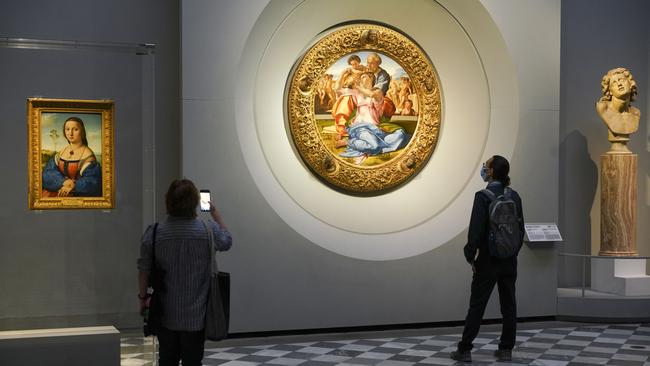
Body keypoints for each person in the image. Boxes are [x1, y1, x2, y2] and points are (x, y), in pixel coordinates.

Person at [137, 179, 232, 366]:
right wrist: (214, 212)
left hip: (165, 314)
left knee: (166, 360)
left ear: (168, 201)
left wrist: (142, 299)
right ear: (195, 201)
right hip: (196, 317)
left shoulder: (155, 232)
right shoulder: (208, 230)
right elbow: (227, 241)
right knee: (193, 361)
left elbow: (144, 270)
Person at [450, 155, 524, 363]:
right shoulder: (514, 195)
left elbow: (475, 231)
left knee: (477, 305)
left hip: (488, 260)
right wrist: (512, 252)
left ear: (491, 171)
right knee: (509, 304)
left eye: (486, 165)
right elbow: (520, 228)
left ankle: (464, 349)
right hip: (509, 260)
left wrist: (470, 255)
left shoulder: (482, 196)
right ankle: (506, 349)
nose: (484, 168)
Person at [41, 117, 102, 197]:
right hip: (58, 190)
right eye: (67, 129)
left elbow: (93, 182)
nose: (70, 133)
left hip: (77, 195)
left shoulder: (88, 156)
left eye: (75, 129)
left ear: (82, 132)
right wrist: (63, 182)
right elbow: (47, 173)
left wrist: (74, 185)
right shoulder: (61, 153)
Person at [595, 67, 640, 153]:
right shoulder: (603, 109)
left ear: (631, 84)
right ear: (610, 91)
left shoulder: (636, 113)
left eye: (622, 80)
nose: (619, 84)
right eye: (614, 83)